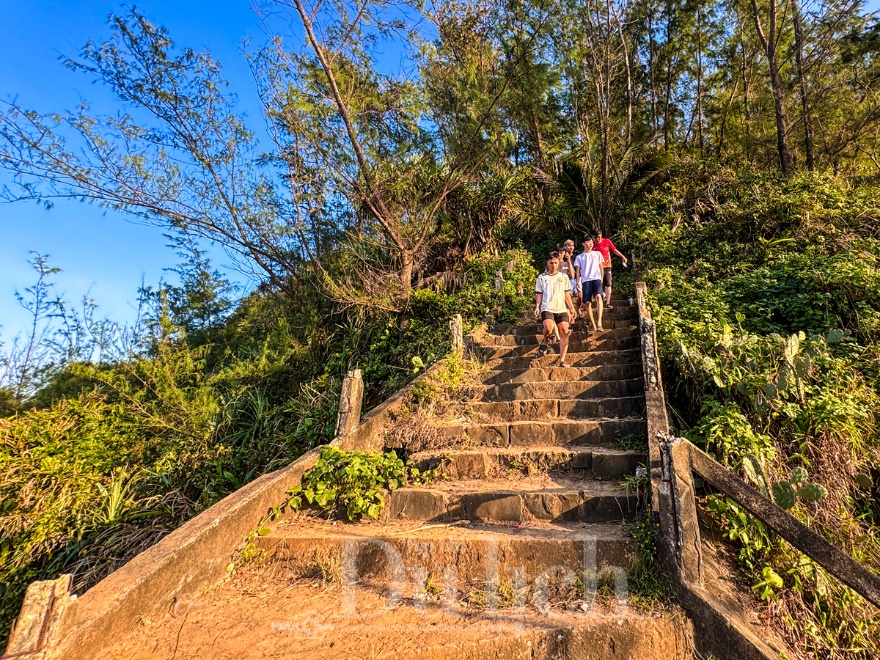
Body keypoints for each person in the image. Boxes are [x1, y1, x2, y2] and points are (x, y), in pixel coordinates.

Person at [534, 251, 577, 367]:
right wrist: (537, 307)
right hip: (547, 306)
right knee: (548, 327)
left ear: (559, 263)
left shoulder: (563, 277)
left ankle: (561, 360)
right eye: (552, 263)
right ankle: (546, 340)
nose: (554, 265)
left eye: (556, 263)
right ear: (547, 262)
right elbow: (539, 293)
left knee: (564, 331)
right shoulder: (542, 277)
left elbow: (567, 294)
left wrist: (572, 308)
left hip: (561, 307)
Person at [591, 228, 628, 308]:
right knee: (598, 284)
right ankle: (599, 302)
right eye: (595, 237)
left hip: (607, 265)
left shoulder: (607, 241)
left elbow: (614, 250)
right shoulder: (591, 244)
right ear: (593, 237)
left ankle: (607, 303)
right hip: (596, 267)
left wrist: (622, 256)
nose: (597, 239)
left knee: (608, 284)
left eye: (599, 237)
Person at [574, 235, 605, 331]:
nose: (590, 243)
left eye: (591, 242)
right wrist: (578, 281)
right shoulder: (580, 257)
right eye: (588, 242)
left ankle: (599, 322)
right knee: (587, 302)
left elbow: (601, 267)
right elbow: (578, 270)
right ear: (583, 243)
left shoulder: (597, 254)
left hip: (596, 278)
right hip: (585, 280)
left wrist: (601, 279)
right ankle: (593, 324)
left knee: (599, 297)